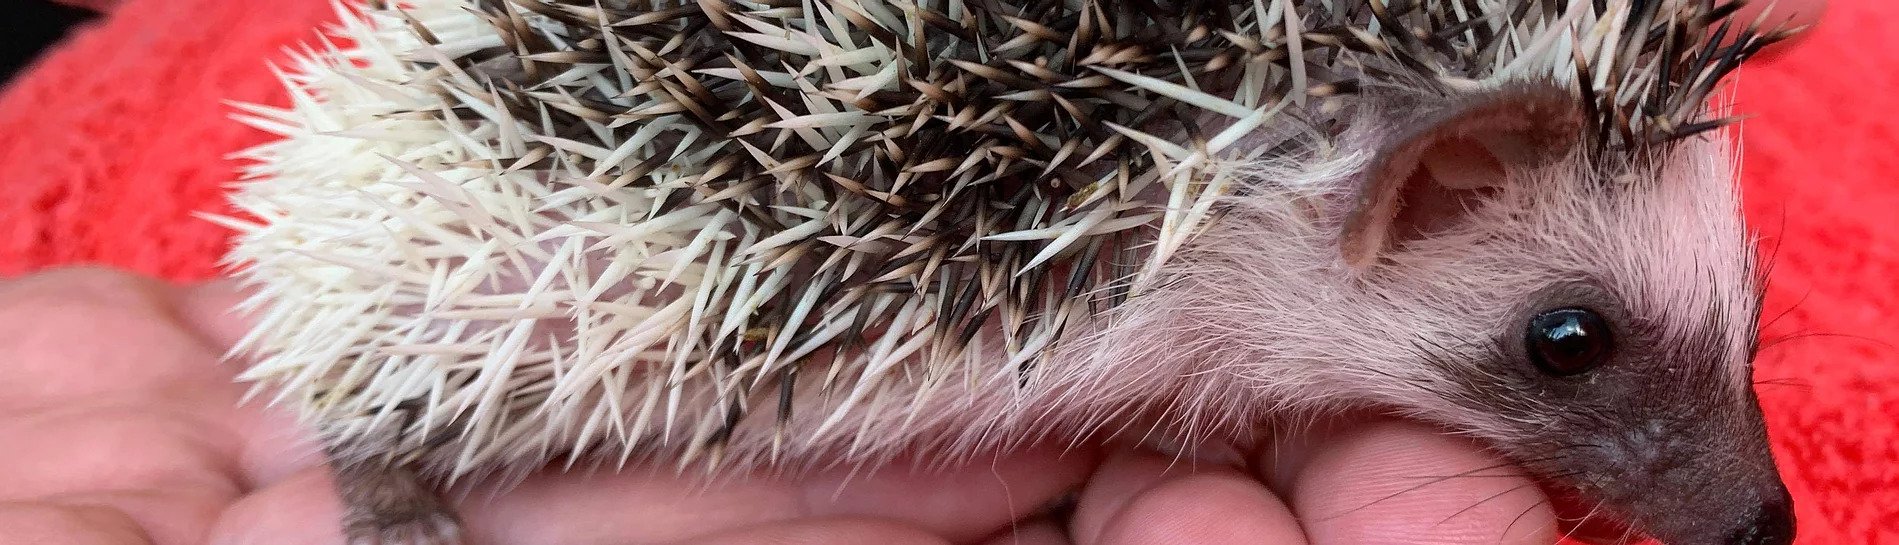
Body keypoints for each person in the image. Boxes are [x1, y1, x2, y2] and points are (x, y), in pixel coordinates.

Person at [0, 3, 1827, 543]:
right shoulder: (1193, 238)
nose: (1732, 486)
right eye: (1569, 344)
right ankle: (385, 454)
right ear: (1407, 195)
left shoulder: (1233, 207)